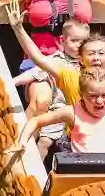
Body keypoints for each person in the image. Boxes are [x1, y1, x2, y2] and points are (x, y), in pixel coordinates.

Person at [12, 19, 88, 159]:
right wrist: (13, 82)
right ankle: (34, 162)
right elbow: (36, 71)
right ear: (62, 40)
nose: (79, 46)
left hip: (78, 113)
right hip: (58, 109)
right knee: (45, 141)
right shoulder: (58, 59)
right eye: (74, 41)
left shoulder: (87, 63)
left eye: (83, 42)